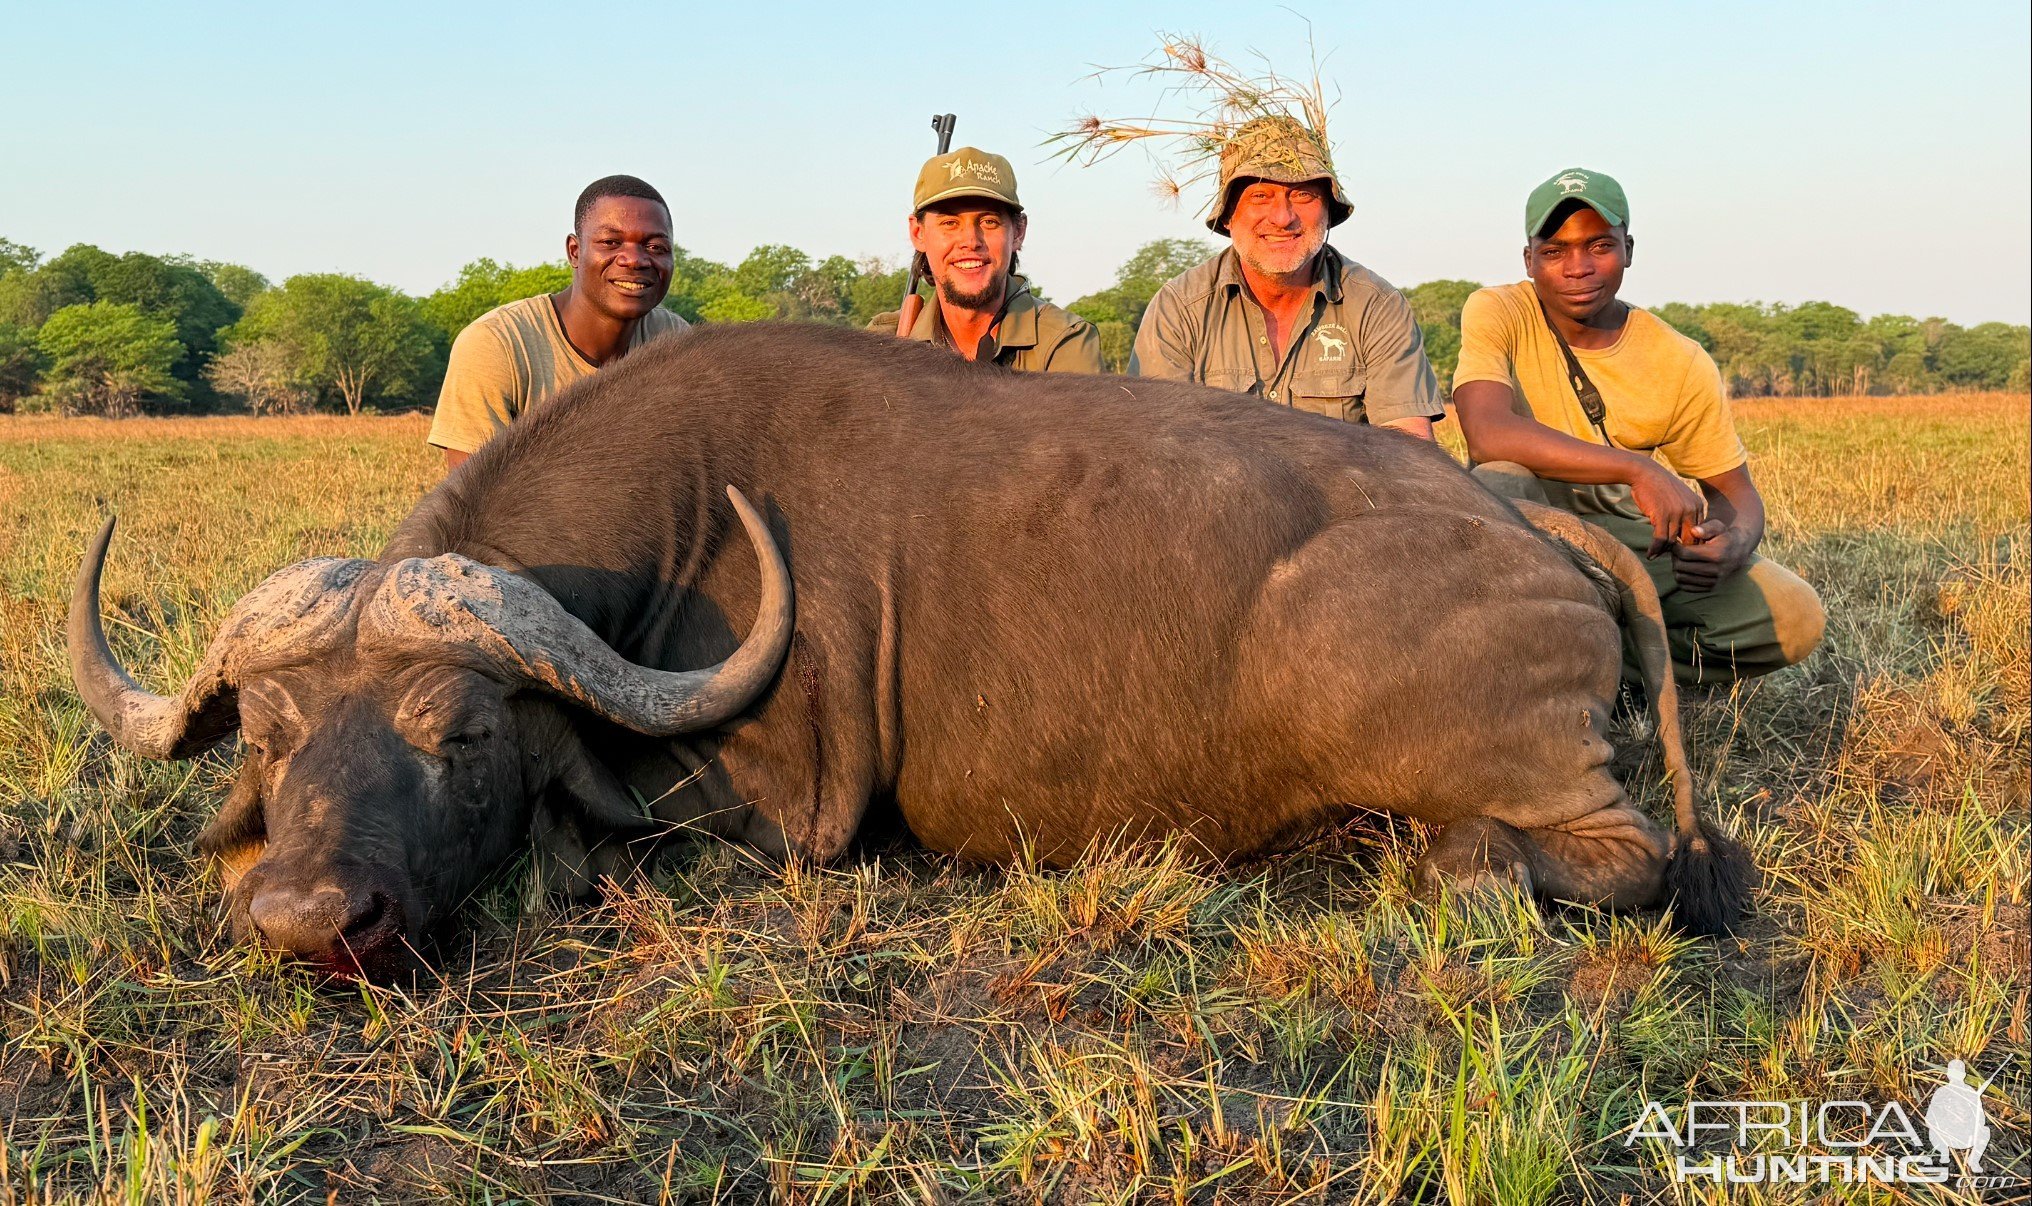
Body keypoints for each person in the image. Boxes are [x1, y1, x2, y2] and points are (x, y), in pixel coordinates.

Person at [1453, 167, 1825, 685]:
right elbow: (1486, 431)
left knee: (1793, 616)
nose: (1577, 267)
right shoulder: (1498, 310)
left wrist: (1730, 545)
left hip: (1629, 547)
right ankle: (1546, 664)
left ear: (1629, 248)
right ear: (1529, 259)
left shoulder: (1680, 359)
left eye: (1599, 246)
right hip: (1528, 536)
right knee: (1500, 476)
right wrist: (1638, 471)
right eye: (1555, 251)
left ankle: (1602, 665)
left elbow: (1734, 494)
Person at [1130, 115, 1442, 439]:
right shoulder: (1180, 309)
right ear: (1227, 216)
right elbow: (1157, 447)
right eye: (1261, 196)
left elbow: (1410, 446)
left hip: (1342, 489)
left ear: (1328, 214)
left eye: (1303, 195)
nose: (1283, 218)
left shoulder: (1376, 305)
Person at [429, 175, 690, 470]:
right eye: (610, 242)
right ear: (575, 252)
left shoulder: (675, 342)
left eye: (656, 247)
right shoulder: (495, 344)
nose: (634, 260)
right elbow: (473, 502)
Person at [871, 147, 1103, 373]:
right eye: (950, 223)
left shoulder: (1063, 341)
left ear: (1018, 232)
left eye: (989, 222)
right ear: (918, 233)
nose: (970, 241)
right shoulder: (881, 344)